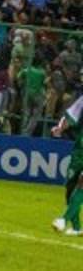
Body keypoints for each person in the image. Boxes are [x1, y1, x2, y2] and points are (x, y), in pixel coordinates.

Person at [51, 95, 83, 235]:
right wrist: (60, 128)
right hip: (79, 152)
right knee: (70, 187)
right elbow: (71, 115)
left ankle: (63, 219)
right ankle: (76, 228)